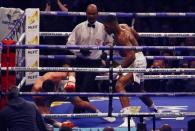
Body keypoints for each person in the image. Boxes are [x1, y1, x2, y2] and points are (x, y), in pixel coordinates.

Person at [103, 15, 158, 127]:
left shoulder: (121, 37)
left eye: (107, 27)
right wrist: (131, 38)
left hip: (136, 61)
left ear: (113, 24)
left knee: (119, 85)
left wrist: (118, 70)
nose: (105, 29)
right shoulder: (125, 26)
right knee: (138, 89)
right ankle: (154, 110)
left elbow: (131, 56)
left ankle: (128, 120)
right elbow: (137, 36)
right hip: (139, 58)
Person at [67, 4, 113, 112]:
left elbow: (110, 42)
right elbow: (69, 43)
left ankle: (81, 107)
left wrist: (105, 52)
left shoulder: (103, 27)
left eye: (93, 14)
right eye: (89, 13)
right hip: (80, 60)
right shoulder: (79, 27)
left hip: (94, 61)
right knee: (78, 87)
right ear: (86, 13)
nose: (91, 16)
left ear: (97, 14)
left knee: (85, 87)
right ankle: (81, 106)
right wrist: (79, 49)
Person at [32, 71, 116, 128]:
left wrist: (71, 80)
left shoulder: (53, 76)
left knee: (79, 102)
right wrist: (59, 124)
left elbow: (71, 70)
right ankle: (60, 125)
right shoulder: (36, 93)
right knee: (45, 115)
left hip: (61, 88)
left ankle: (100, 114)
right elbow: (42, 110)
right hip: (45, 97)